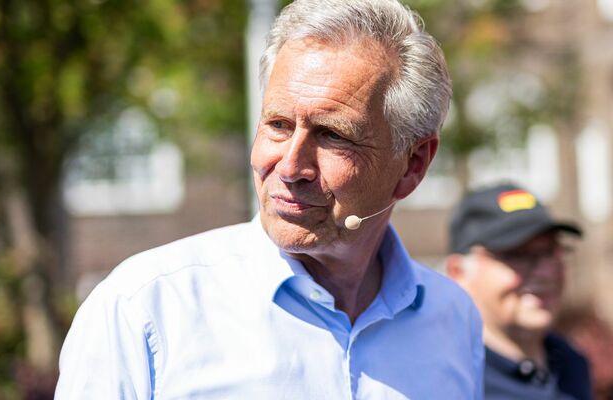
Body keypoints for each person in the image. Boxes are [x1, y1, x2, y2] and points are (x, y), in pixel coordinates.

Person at [56, 0, 483, 398]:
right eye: (278, 125)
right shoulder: (144, 308)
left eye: (333, 135)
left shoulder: (454, 322)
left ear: (413, 164)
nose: (290, 166)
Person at [445, 183, 593, 400]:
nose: (545, 272)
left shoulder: (571, 364)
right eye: (518, 255)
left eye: (551, 252)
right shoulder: (451, 381)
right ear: (458, 272)